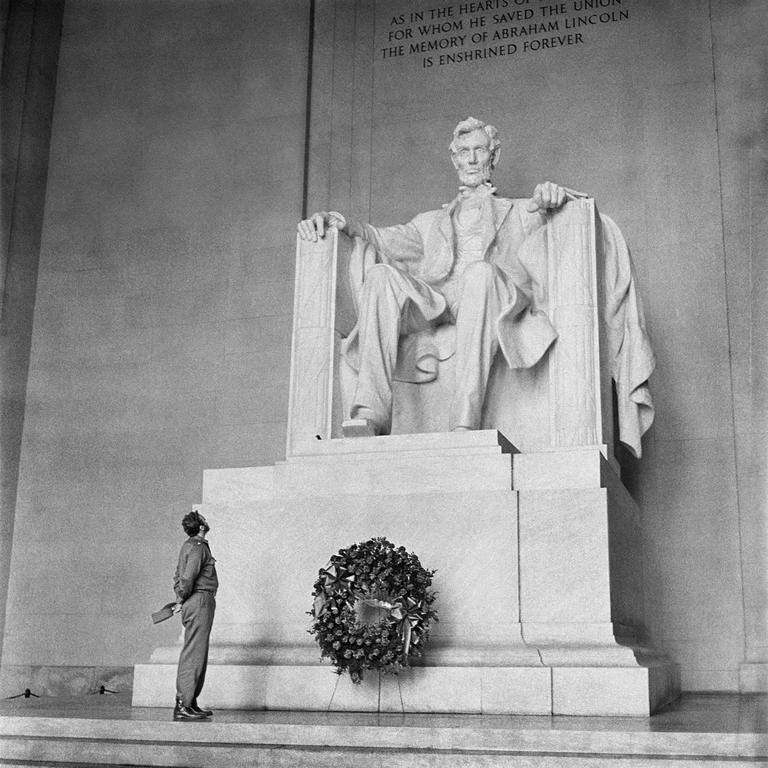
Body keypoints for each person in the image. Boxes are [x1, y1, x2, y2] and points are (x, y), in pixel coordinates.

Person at [298, 116, 569, 437]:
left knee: (480, 274)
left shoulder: (523, 211)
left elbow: (563, 219)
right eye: (464, 151)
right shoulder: (430, 222)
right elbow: (378, 237)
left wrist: (554, 197)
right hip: (438, 303)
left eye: (479, 150)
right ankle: (370, 413)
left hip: (490, 295)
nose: (471, 159)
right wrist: (335, 222)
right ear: (454, 159)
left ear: (493, 156)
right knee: (381, 276)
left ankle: (464, 422)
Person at [172, 510, 218, 721]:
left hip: (197, 600)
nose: (207, 522)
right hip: (199, 600)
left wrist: (181, 597)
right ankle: (183, 703)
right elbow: (187, 577)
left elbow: (178, 574)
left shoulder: (189, 546)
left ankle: (190, 702)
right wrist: (182, 597)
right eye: (204, 520)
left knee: (198, 653)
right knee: (194, 654)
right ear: (200, 526)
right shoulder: (198, 547)